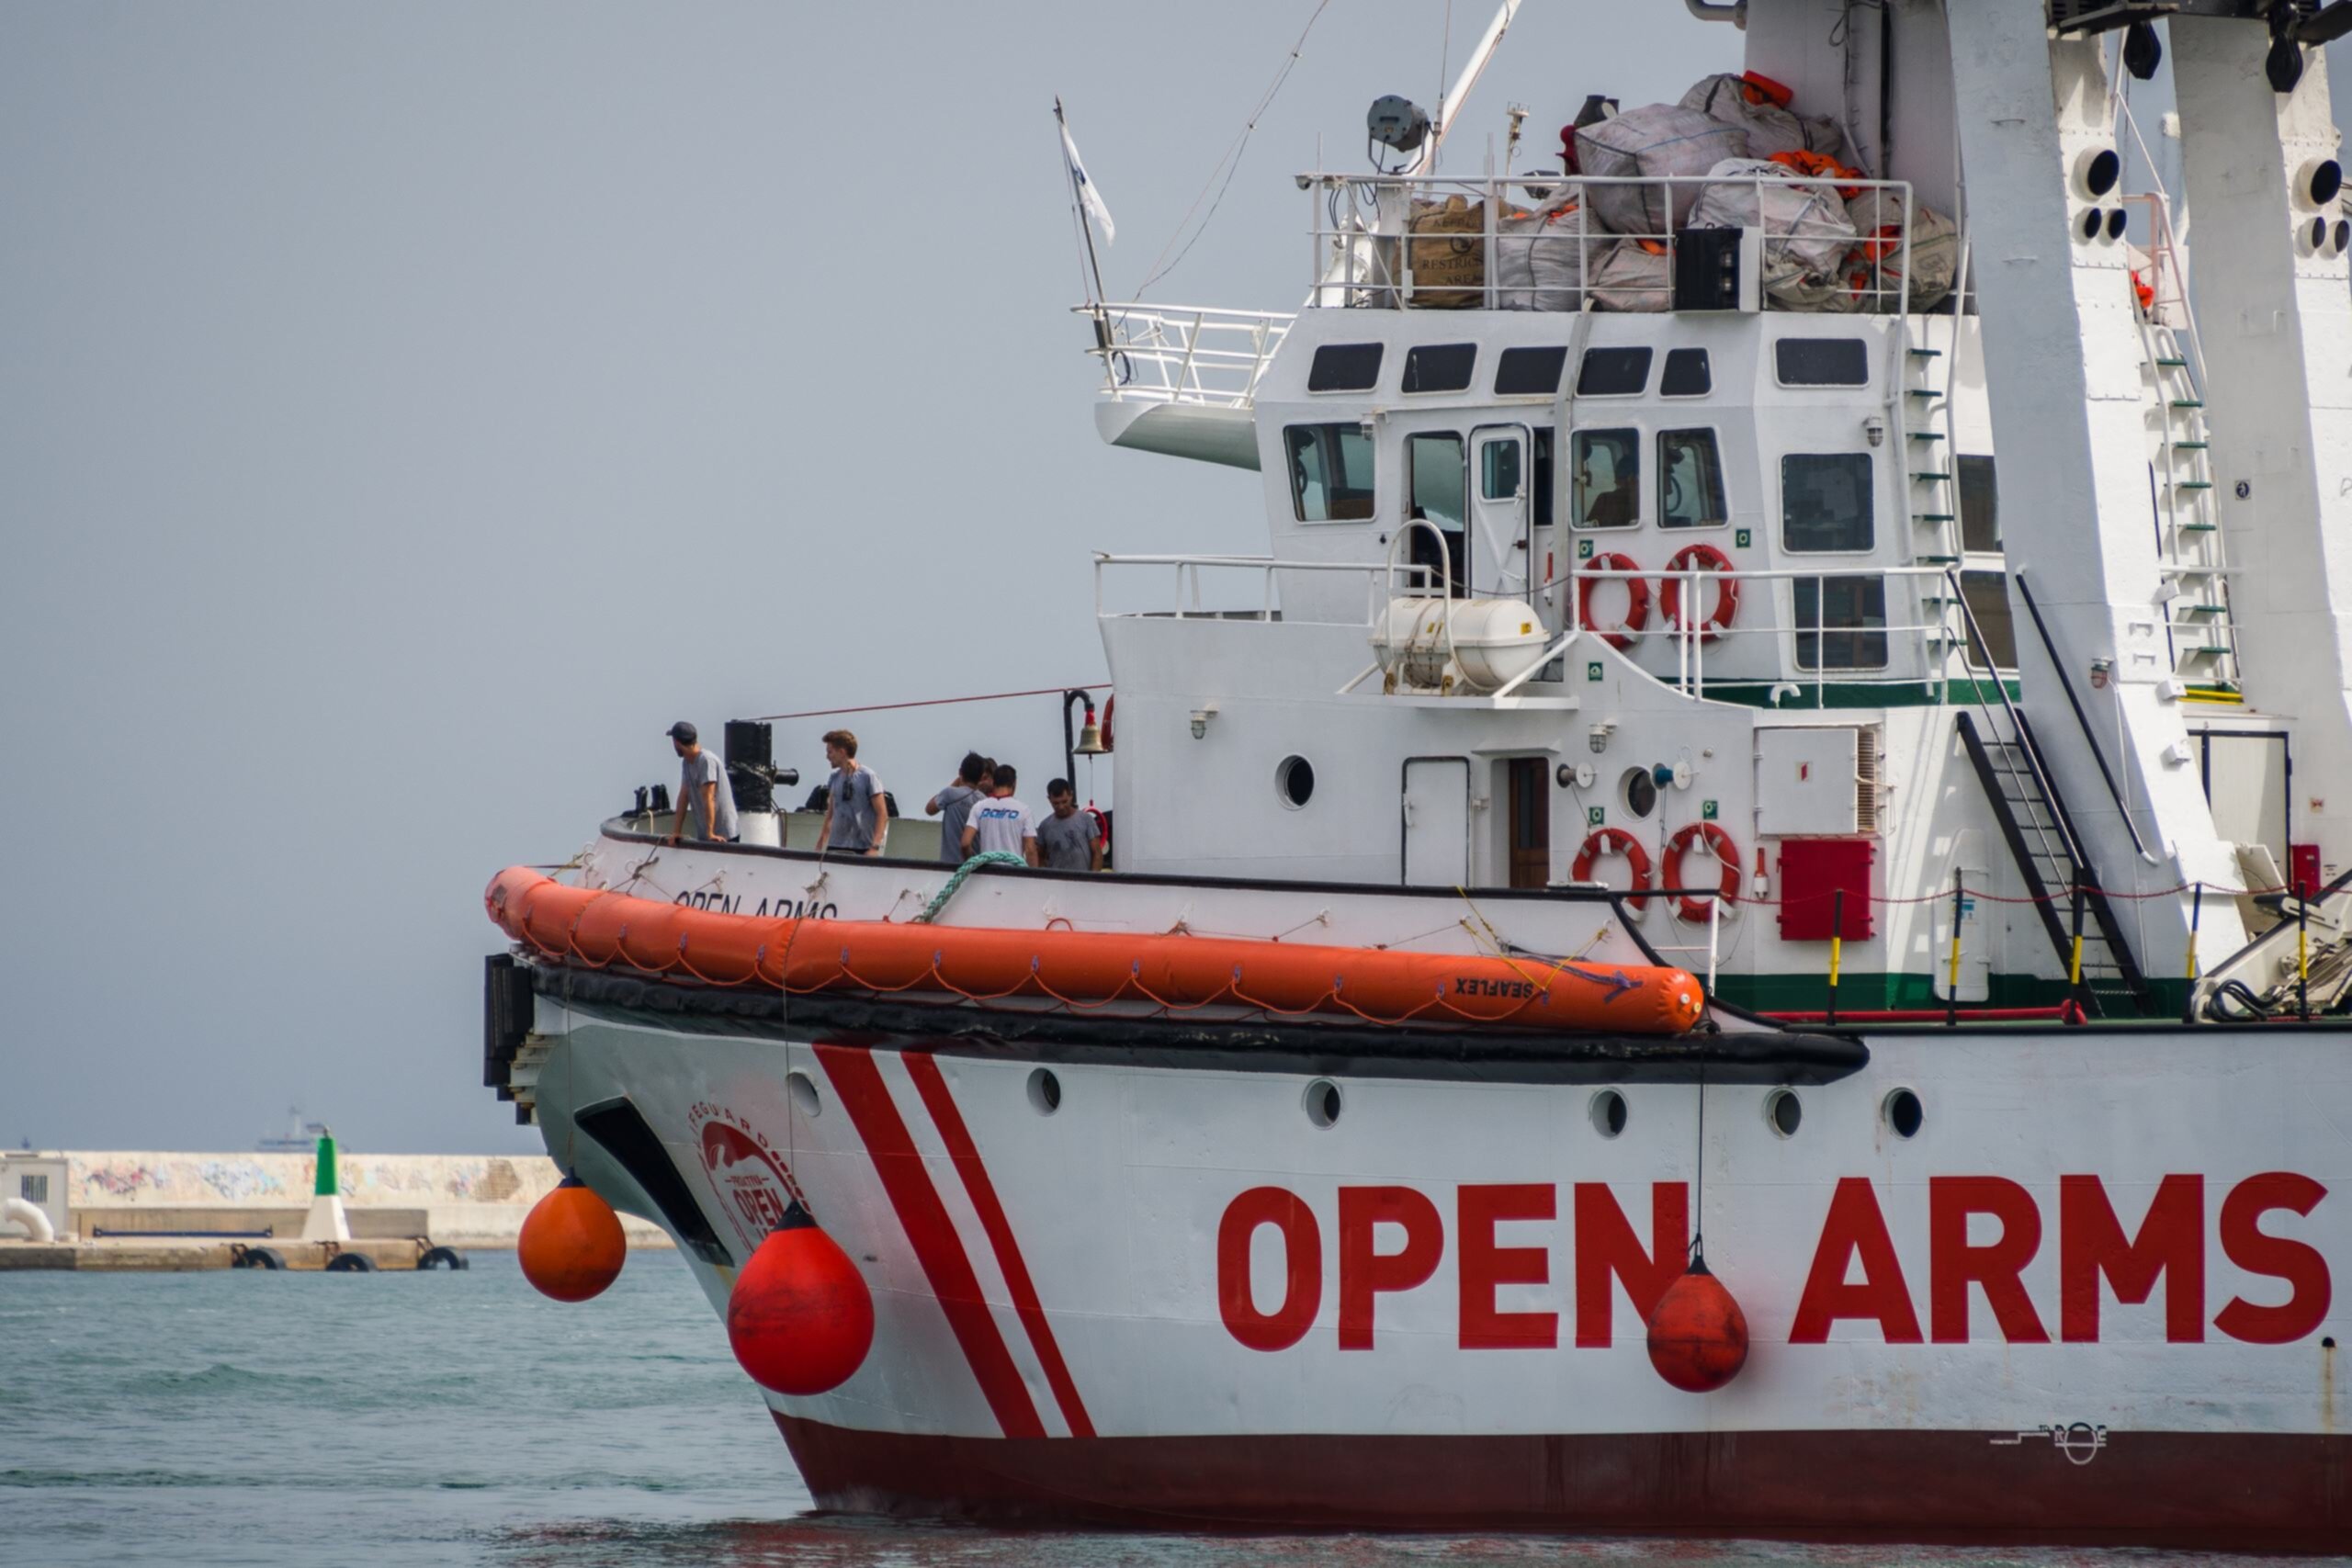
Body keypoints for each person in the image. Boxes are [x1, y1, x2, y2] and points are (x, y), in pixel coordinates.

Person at [813, 728, 888, 857]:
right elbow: (831, 814)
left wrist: (875, 847)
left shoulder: (868, 777)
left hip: (862, 848)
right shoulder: (834, 778)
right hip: (835, 847)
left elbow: (882, 814)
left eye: (830, 752)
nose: (827, 757)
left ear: (842, 752)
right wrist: (820, 845)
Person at [665, 721, 738, 845]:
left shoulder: (706, 761)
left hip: (724, 835)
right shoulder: (687, 762)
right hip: (706, 836)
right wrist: (676, 832)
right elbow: (684, 796)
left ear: (676, 742)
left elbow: (709, 797)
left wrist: (710, 833)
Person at [961, 762, 1037, 866]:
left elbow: (965, 843)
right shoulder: (1024, 810)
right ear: (1014, 784)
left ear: (993, 782)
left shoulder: (979, 807)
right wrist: (1032, 874)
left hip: (987, 871)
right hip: (1014, 872)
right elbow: (1030, 850)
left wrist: (972, 864)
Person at [925, 751, 989, 865]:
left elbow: (929, 809)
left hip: (949, 865)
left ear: (960, 772)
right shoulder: (984, 801)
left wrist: (956, 782)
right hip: (976, 866)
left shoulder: (949, 794)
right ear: (981, 778)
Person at [1036, 778, 1105, 872]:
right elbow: (1039, 856)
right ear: (1049, 799)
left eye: (1064, 802)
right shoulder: (1045, 826)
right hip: (1056, 879)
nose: (1061, 807)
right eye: (1056, 803)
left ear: (1071, 795)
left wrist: (1093, 878)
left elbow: (1097, 853)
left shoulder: (1086, 820)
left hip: (1083, 878)